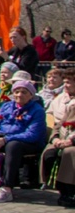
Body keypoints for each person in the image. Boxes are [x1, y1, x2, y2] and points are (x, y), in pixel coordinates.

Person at [40, 69, 75, 205]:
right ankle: (56, 187)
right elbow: (57, 123)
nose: (66, 85)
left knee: (69, 153)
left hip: (72, 139)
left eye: (69, 82)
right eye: (65, 82)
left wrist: (70, 140)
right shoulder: (60, 99)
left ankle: (68, 192)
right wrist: (55, 138)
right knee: (49, 153)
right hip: (62, 136)